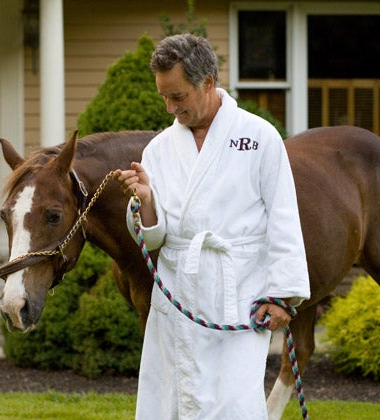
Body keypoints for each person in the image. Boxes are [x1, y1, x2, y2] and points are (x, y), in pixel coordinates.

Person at [115, 33, 310, 419]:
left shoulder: (259, 137)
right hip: (177, 294)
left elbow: (284, 216)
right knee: (168, 399)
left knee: (233, 403)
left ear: (207, 83)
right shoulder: (159, 149)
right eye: (164, 97)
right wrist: (147, 201)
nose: (170, 107)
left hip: (237, 296)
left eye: (178, 96)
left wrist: (282, 295)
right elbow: (153, 236)